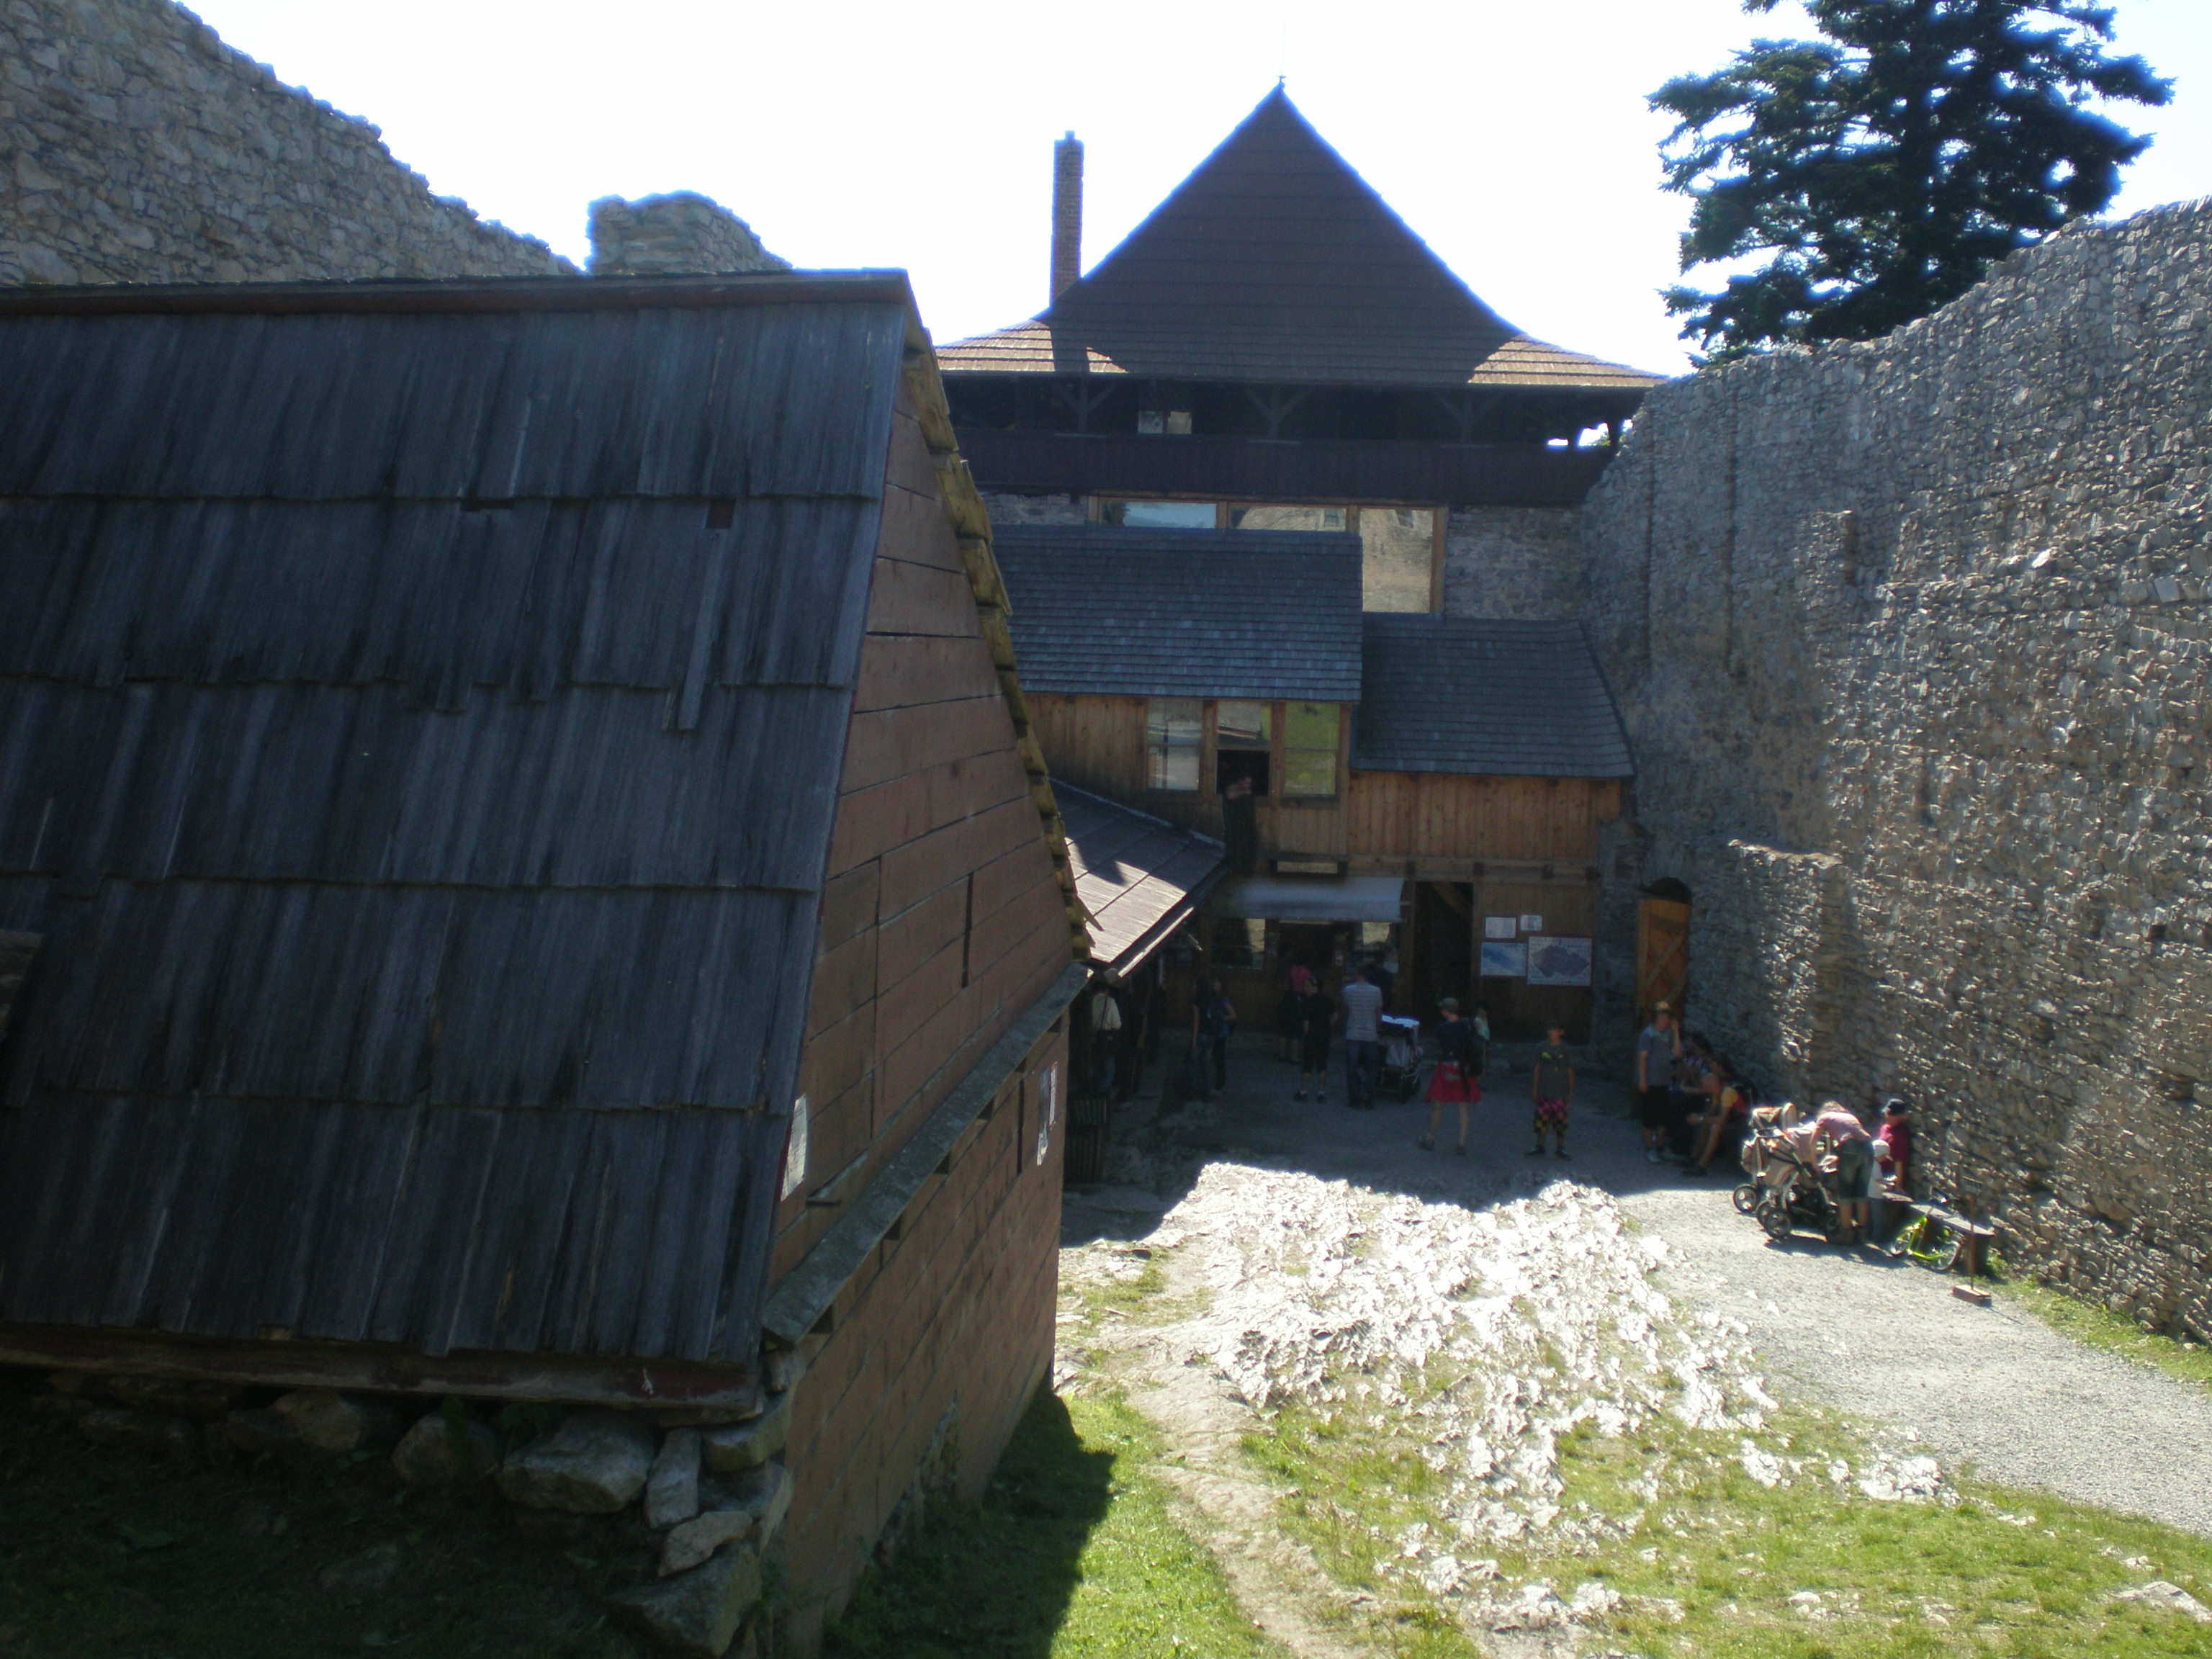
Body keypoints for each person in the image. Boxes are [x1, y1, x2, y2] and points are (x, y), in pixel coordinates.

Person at [1419, 997, 1481, 1154]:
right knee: (1464, 1106)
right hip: (1463, 1068)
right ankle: (1461, 1143)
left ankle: (1430, 1138)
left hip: (1445, 1067)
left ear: (1445, 1011)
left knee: (1438, 1105)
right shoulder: (1467, 1025)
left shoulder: (1440, 1028)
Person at [1812, 1099, 1876, 1244]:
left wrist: (1814, 1163)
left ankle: (1846, 1234)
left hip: (1850, 1147)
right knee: (1861, 1193)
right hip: (1868, 1147)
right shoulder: (1849, 1117)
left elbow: (1813, 1143)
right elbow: (1856, 1141)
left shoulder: (1824, 1118)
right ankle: (1862, 1234)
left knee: (1845, 1193)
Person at [1635, 1002, 1683, 1164]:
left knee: (1663, 1118)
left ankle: (1660, 1147)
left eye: (1667, 1017)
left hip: (1664, 1081)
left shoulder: (1669, 1034)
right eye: (1662, 1017)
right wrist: (1643, 1079)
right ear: (1655, 1017)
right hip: (1651, 1081)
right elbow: (1642, 1058)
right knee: (1649, 1117)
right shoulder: (1648, 1034)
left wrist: (1676, 1032)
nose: (1665, 1020)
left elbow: (1677, 1053)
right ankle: (1650, 1149)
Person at [1683, 1060, 1747, 1177]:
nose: (1707, 1090)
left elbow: (1721, 1119)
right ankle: (1694, 1157)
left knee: (1716, 1127)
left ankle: (1702, 1166)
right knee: (1707, 1122)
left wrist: (1701, 1119)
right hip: (1731, 1121)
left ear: (1714, 1084)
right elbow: (1711, 1113)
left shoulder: (1727, 1092)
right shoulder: (1718, 1093)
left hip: (1742, 1124)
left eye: (1708, 1087)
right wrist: (1700, 1118)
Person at [1340, 963, 1383, 1110]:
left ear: (1357, 974)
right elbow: (1378, 1013)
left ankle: (1354, 1097)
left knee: (1352, 1067)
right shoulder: (1376, 991)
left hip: (1353, 1032)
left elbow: (1347, 1009)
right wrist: (1378, 1028)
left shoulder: (1348, 990)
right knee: (1372, 1066)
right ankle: (1368, 1093)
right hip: (1369, 1033)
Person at [1529, 1022, 1575, 1159]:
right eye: (1550, 1030)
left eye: (1555, 1030)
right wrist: (1534, 1089)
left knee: (1560, 1121)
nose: (1551, 1033)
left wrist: (1570, 1092)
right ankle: (1539, 1145)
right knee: (1541, 1119)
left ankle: (1560, 1147)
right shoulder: (1541, 1048)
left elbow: (1570, 1071)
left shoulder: (1566, 1050)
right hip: (1544, 1090)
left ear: (1561, 1032)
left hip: (1560, 1092)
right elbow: (1537, 1069)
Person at [1189, 977, 1236, 1098]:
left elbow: (1233, 1015)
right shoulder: (1213, 998)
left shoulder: (1222, 999)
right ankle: (1209, 1088)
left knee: (1217, 1059)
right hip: (1213, 1032)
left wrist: (1220, 1018)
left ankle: (1217, 1086)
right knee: (1209, 1060)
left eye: (1217, 982)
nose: (1214, 984)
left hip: (1219, 1032)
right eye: (1214, 982)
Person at [1294, 980, 1335, 1102]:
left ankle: (1304, 1091)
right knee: (1322, 1064)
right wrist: (1328, 1026)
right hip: (1324, 1035)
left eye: (1308, 986)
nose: (1305, 988)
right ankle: (1321, 1092)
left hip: (1312, 1036)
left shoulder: (1308, 1001)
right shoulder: (1327, 999)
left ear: (1315, 987)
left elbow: (1306, 1021)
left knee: (1308, 1064)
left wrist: (1305, 1034)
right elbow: (1335, 1015)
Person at [1089, 984, 1124, 1096]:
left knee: (1094, 1068)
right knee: (1108, 1071)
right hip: (1106, 1041)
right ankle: (1101, 1095)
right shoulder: (1110, 1002)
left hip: (1092, 1040)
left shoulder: (1090, 1001)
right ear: (1107, 990)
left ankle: (1092, 1094)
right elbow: (1117, 1024)